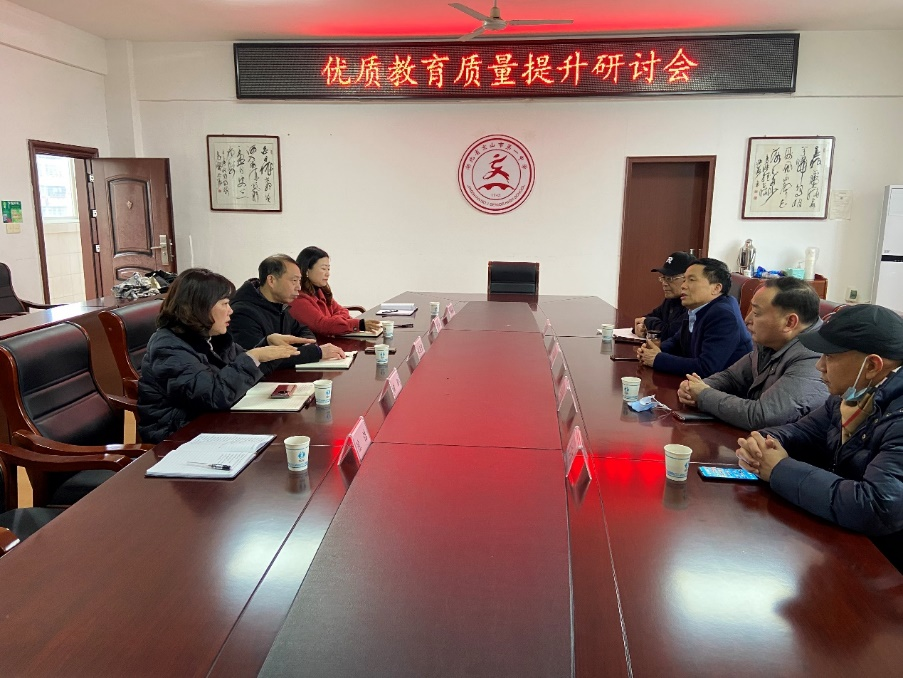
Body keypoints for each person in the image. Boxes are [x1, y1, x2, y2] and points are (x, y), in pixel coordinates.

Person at [736, 304, 903, 571]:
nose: (819, 366)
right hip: (842, 539)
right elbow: (802, 432)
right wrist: (763, 443)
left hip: (884, 566)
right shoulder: (849, 395)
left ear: (872, 365)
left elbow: (877, 506)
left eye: (830, 357)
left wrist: (779, 469)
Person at [137, 268, 302, 443]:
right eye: (224, 304)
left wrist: (268, 347)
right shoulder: (169, 346)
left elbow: (238, 372)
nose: (231, 311)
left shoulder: (211, 336)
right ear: (201, 307)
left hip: (211, 422)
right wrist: (254, 357)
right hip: (177, 435)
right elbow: (212, 395)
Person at [677, 277, 829, 429]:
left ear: (789, 322)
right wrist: (696, 387)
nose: (747, 319)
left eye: (756, 313)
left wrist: (703, 395)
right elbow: (732, 377)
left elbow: (763, 415)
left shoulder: (814, 356)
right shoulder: (771, 341)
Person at [637, 257, 751, 378]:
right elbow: (677, 342)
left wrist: (657, 359)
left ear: (716, 288)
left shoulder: (724, 315)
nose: (683, 286)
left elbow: (707, 368)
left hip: (725, 387)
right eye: (684, 280)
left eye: (691, 280)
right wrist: (654, 349)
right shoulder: (698, 307)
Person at [230, 254, 345, 373]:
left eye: (299, 281)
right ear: (271, 280)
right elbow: (259, 359)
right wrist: (316, 352)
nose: (298, 287)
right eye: (294, 281)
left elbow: (302, 330)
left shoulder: (278, 305)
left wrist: (307, 345)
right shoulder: (242, 313)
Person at [289, 246, 382, 336]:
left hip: (331, 340)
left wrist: (334, 322)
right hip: (317, 344)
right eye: (323, 269)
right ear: (307, 270)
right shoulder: (297, 297)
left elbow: (342, 310)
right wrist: (359, 324)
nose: (328, 274)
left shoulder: (321, 291)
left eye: (328, 269)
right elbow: (323, 325)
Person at [634, 251, 696, 342]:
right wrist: (640, 327)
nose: (664, 283)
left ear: (687, 278)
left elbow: (670, 333)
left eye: (669, 279)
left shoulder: (693, 305)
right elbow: (647, 318)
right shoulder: (671, 300)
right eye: (663, 278)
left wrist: (647, 323)